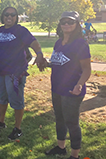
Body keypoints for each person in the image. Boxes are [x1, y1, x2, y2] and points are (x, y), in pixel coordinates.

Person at [0, 7, 46, 140]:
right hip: (0, 70)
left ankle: (17, 128)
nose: (9, 17)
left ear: (16, 17)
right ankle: (1, 122)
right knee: (2, 97)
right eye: (6, 14)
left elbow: (34, 42)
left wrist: (39, 53)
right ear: (2, 16)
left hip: (15, 72)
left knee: (16, 100)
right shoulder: (0, 30)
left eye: (12, 15)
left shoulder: (20, 30)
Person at [44, 11, 91, 159]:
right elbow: (59, 62)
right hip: (57, 88)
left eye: (70, 22)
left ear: (77, 24)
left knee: (72, 122)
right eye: (63, 22)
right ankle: (60, 147)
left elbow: (87, 69)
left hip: (72, 90)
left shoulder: (80, 44)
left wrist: (79, 84)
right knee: (59, 118)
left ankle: (74, 155)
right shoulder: (58, 42)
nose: (66, 24)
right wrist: (47, 63)